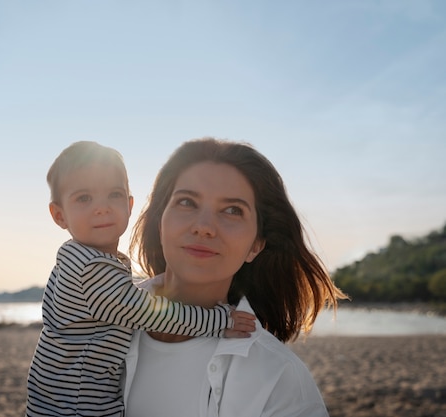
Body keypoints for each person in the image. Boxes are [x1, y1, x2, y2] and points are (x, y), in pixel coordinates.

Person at [26, 141, 257, 417]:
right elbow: (152, 315)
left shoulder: (75, 258)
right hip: (76, 407)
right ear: (59, 215)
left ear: (129, 204)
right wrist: (220, 321)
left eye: (114, 194)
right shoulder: (90, 268)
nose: (102, 208)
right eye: (84, 198)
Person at [122, 137, 347, 417]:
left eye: (232, 210)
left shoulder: (279, 378)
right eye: (187, 202)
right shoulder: (90, 321)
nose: (204, 227)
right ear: (160, 221)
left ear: (256, 245)